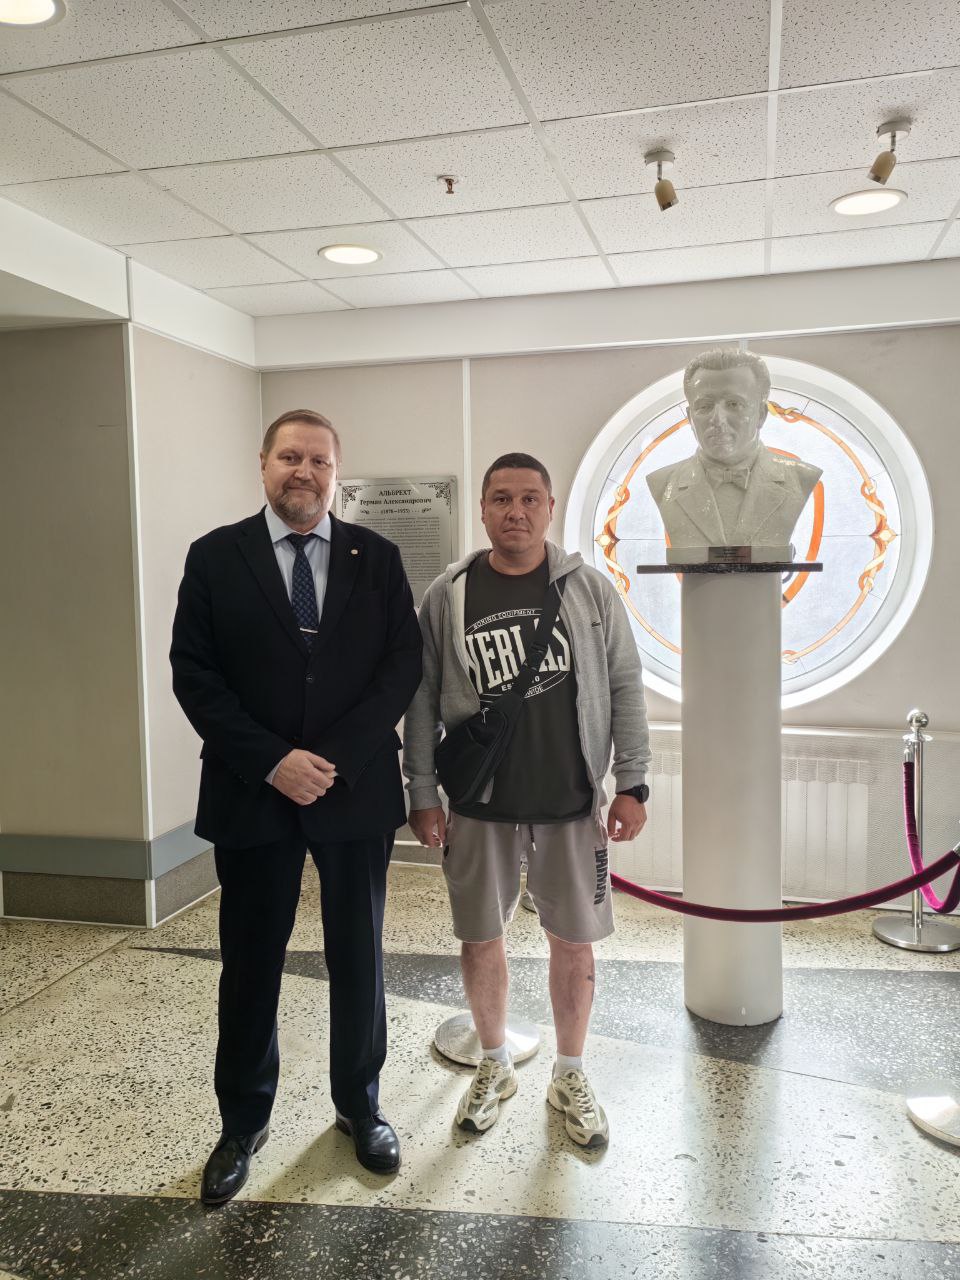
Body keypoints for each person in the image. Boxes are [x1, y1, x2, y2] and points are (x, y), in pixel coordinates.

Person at [170, 409, 422, 1204]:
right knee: (250, 963)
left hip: (353, 791)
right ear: (263, 464)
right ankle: (242, 1123)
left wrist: (330, 759)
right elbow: (194, 674)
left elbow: (401, 667)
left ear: (335, 473)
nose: (303, 471)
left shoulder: (377, 559)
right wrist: (273, 761)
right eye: (289, 457)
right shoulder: (215, 557)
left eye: (318, 459)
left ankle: (361, 1108)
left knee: (359, 956)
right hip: (253, 792)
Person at [404, 453, 650, 1148]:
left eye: (530, 499)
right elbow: (420, 701)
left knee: (574, 942)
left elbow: (626, 685)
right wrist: (421, 792)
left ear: (550, 507)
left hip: (570, 802)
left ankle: (571, 1071)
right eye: (502, 499)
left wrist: (632, 782)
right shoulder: (448, 594)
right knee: (479, 935)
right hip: (478, 802)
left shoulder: (590, 591)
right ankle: (493, 1060)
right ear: (483, 509)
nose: (516, 511)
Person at [647, 348, 821, 549]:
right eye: (704, 406)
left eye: (734, 404)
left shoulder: (799, 479)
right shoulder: (663, 483)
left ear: (761, 414)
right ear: (690, 417)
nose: (717, 419)